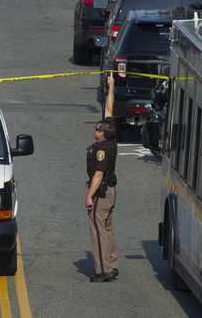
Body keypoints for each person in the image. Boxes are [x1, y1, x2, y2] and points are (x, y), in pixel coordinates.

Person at [86, 73, 119, 283]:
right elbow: (109, 109)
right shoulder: (112, 136)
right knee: (107, 227)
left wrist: (89, 196)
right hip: (111, 190)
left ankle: (103, 270)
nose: (95, 129)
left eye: (98, 129)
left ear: (102, 134)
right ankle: (112, 263)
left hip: (102, 191)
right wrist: (111, 87)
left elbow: (98, 174)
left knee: (97, 229)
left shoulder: (102, 150)